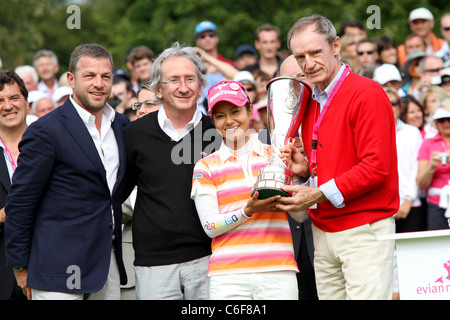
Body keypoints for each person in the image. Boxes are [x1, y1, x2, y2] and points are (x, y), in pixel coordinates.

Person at [278, 15, 398, 300]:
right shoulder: (309, 99)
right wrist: (305, 170)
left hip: (363, 229)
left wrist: (317, 193)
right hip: (323, 229)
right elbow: (335, 163)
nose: (308, 64)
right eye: (300, 56)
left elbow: (375, 168)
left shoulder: (366, 93)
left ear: (335, 46)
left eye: (315, 52)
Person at [4, 43, 129, 300]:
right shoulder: (46, 130)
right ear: (71, 79)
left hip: (108, 263)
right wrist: (19, 265)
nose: (99, 83)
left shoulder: (121, 126)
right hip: (56, 269)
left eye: (105, 76)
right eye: (89, 76)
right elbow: (21, 202)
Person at [191, 80, 305, 300]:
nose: (229, 121)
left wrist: (297, 180)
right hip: (228, 277)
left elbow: (301, 215)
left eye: (235, 111)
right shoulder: (205, 166)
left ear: (250, 111)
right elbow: (210, 227)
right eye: (220, 116)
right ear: (213, 120)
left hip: (278, 270)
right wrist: (248, 210)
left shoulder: (277, 156)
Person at [124, 42, 221, 300]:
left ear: (201, 85)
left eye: (191, 79)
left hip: (211, 258)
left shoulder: (219, 132)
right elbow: (117, 192)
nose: (184, 87)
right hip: (154, 264)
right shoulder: (134, 134)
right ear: (158, 88)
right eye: (174, 80)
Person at [278, 55, 317, 300]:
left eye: (302, 77)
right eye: (288, 79)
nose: (296, 84)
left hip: (324, 230)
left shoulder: (329, 119)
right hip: (286, 239)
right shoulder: (271, 127)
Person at [0, 70, 29, 300]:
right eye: (0, 101)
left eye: (14, 98)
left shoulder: (52, 146)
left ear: (27, 102)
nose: (8, 106)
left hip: (51, 271)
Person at [384, 87, 425, 233]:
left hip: (411, 204)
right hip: (381, 207)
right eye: (385, 102)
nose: (389, 106)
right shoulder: (368, 133)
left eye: (394, 103)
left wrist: (408, 199)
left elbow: (417, 168)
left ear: (400, 107)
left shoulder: (412, 132)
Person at [417, 98, 450, 230]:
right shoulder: (428, 143)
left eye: (449, 119)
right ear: (435, 122)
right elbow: (420, 183)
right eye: (441, 120)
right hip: (436, 203)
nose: (446, 123)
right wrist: (431, 166)